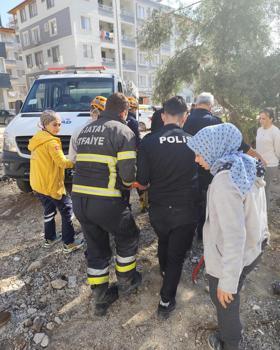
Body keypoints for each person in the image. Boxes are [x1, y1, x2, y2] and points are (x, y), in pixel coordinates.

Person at [188, 123, 268, 350]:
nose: (196, 159)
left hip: (231, 259)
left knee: (224, 299)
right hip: (254, 249)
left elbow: (234, 236)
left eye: (199, 151)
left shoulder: (225, 181)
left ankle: (230, 341)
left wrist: (228, 281)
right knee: (225, 296)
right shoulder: (246, 165)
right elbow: (259, 210)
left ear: (215, 148)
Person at [72, 93, 141, 316]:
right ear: (124, 112)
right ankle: (126, 281)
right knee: (128, 235)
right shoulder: (123, 130)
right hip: (107, 200)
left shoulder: (86, 130)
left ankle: (100, 297)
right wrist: (129, 184)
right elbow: (128, 173)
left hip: (80, 200)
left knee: (96, 247)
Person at [136, 96, 198, 319]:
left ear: (163, 116)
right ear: (185, 117)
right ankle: (165, 301)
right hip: (185, 209)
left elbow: (142, 181)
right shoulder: (194, 140)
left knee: (164, 239)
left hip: (159, 208)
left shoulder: (148, 141)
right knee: (177, 257)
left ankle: (164, 271)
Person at [183, 92, 265, 241]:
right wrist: (258, 157)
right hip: (212, 173)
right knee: (212, 204)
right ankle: (209, 235)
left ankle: (200, 234)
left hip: (191, 173)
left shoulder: (187, 121)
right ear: (210, 105)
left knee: (198, 203)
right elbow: (237, 143)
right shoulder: (216, 122)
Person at [28, 110, 84, 253]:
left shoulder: (37, 139)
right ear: (45, 124)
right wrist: (77, 160)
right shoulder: (52, 142)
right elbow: (62, 163)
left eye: (59, 124)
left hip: (38, 184)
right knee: (67, 211)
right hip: (51, 185)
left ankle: (50, 238)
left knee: (49, 210)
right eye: (54, 124)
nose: (58, 127)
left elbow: (51, 159)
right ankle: (69, 243)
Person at [68, 96, 107, 163]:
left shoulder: (77, 130)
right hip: (104, 171)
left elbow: (72, 158)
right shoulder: (111, 130)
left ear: (90, 111)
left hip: (82, 171)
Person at [256, 108, 280, 210]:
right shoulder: (259, 130)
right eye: (260, 118)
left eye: (264, 118)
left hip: (270, 165)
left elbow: (278, 150)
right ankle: (259, 215)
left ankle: (265, 218)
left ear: (271, 119)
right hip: (258, 163)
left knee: (265, 190)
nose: (261, 121)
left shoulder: (276, 132)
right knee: (258, 190)